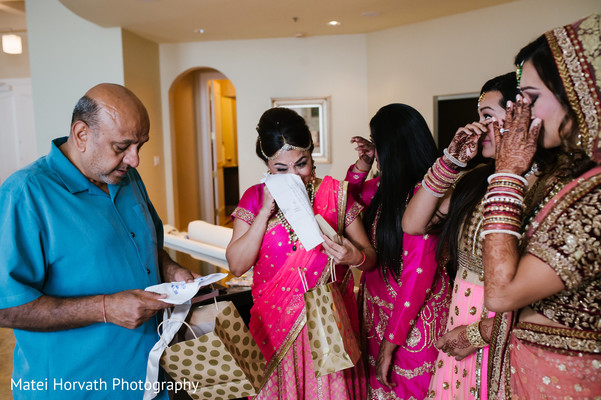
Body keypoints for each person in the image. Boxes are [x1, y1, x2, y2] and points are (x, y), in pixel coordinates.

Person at [0, 83, 199, 400]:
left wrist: (171, 269)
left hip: (149, 380)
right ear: (81, 135)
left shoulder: (126, 177)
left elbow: (144, 245)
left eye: (140, 146)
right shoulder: (25, 194)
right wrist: (105, 309)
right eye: (121, 147)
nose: (134, 160)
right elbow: (6, 309)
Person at [482, 14, 601, 398]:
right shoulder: (567, 174)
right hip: (537, 369)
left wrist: (506, 172)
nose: (523, 111)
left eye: (531, 98)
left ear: (581, 93)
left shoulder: (596, 193)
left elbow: (502, 293)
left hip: (570, 379)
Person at [225, 107, 377, 399]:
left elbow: (370, 258)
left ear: (312, 155)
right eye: (281, 169)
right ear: (267, 165)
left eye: (301, 164)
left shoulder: (335, 193)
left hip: (328, 328)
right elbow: (236, 265)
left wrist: (353, 257)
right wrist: (265, 211)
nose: (294, 175)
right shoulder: (254, 198)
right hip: (272, 330)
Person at [401, 73, 523, 399]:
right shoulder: (474, 181)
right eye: (478, 116)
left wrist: (479, 332)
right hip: (461, 311)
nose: (478, 127)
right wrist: (451, 161)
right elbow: (413, 223)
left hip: (504, 322)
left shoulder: (537, 186)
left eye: (487, 116)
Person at [345, 103, 450, 399]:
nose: (374, 150)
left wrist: (391, 343)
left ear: (393, 147)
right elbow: (343, 206)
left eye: (377, 144)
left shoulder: (425, 196)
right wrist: (362, 166)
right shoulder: (380, 189)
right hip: (377, 317)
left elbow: (418, 276)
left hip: (414, 321)